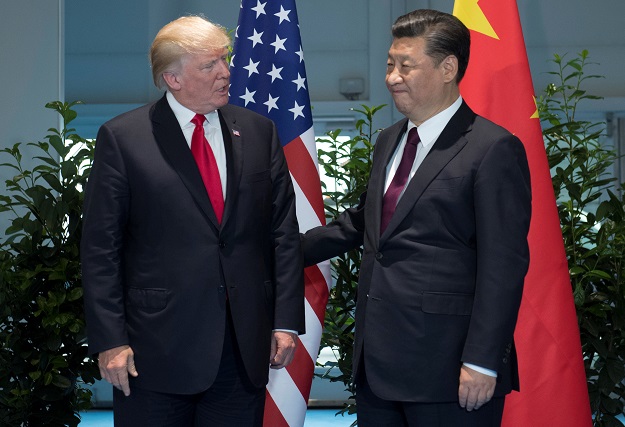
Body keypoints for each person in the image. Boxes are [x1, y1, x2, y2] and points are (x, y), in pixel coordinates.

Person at [302, 9, 531, 426]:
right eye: (390, 64)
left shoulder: (493, 148)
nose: (392, 77)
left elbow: (504, 265)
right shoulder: (390, 140)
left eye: (406, 65)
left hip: (450, 370)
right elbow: (369, 221)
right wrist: (283, 248)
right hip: (378, 366)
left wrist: (482, 361)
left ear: (448, 68)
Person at [81, 15, 304, 426]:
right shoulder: (124, 138)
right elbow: (100, 250)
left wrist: (287, 321)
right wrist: (110, 341)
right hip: (154, 352)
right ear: (173, 78)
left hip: (242, 351)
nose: (226, 73)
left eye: (225, 60)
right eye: (209, 65)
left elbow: (283, 235)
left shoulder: (259, 131)